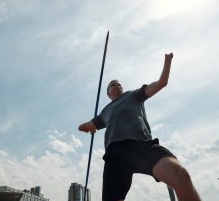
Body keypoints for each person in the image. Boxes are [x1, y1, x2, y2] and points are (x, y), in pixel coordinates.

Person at [78, 53, 201, 201]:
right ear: (108, 92)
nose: (117, 85)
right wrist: (90, 127)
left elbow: (161, 83)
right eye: (112, 84)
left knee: (181, 175)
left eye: (119, 84)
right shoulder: (104, 112)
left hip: (141, 145)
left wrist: (167, 61)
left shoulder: (133, 95)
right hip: (114, 154)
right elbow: (83, 127)